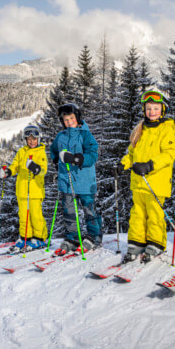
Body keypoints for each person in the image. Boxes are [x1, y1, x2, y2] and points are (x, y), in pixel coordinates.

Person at [120, 90, 175, 263]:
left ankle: (156, 242)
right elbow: (131, 153)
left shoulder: (167, 130)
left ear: (163, 110)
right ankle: (137, 242)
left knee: (154, 214)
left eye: (155, 108)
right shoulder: (140, 130)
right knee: (137, 213)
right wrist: (122, 164)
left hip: (156, 181)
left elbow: (169, 154)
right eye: (148, 108)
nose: (152, 112)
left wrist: (150, 165)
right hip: (138, 182)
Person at [49, 103, 102, 254]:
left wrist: (77, 159)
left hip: (84, 180)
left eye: (71, 118)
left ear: (77, 117)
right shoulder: (61, 136)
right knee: (69, 211)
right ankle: (72, 237)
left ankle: (94, 236)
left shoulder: (85, 134)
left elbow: (93, 154)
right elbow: (53, 150)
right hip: (66, 181)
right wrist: (56, 161)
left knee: (89, 209)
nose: (69, 122)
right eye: (65, 120)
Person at [0, 125, 49, 251]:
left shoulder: (41, 152)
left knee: (36, 215)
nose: (32, 142)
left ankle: (40, 238)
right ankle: (25, 237)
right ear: (25, 140)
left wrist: (36, 168)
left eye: (34, 139)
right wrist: (8, 172)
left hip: (35, 190)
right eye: (29, 139)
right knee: (23, 215)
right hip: (22, 190)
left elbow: (43, 170)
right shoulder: (22, 152)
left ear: (38, 139)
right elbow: (15, 165)